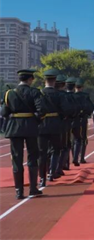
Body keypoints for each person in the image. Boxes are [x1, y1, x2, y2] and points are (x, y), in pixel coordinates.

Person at [1, 69, 43, 199]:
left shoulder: (9, 93)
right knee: (33, 157)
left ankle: (19, 191)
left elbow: (4, 113)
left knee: (16, 159)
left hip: (14, 128)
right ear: (30, 79)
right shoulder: (34, 92)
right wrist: (35, 119)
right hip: (30, 127)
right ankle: (33, 188)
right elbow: (41, 110)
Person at [36, 69, 64, 187]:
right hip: (55, 125)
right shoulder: (59, 94)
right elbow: (65, 109)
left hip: (41, 125)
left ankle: (42, 178)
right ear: (55, 80)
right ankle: (51, 172)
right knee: (55, 150)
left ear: (44, 80)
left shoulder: (38, 93)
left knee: (41, 152)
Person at [74, 79, 94, 164]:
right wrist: (87, 113)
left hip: (74, 119)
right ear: (82, 87)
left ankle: (75, 156)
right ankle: (81, 158)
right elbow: (91, 107)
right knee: (83, 138)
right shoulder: (85, 96)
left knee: (74, 139)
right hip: (83, 119)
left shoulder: (72, 96)